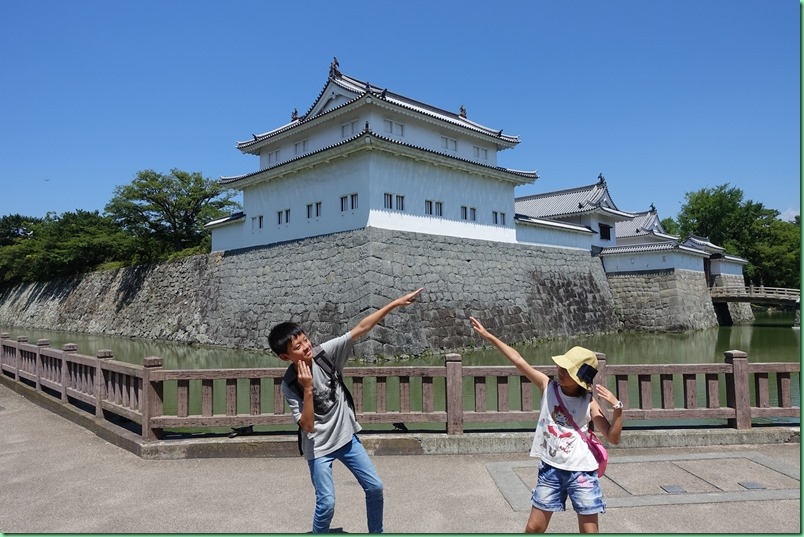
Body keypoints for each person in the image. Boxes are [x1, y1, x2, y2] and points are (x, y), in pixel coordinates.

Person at [268, 288, 424, 534]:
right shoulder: (289, 384)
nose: (306, 347)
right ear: (284, 356)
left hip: (346, 437)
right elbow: (307, 426)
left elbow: (360, 329)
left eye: (305, 340)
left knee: (375, 487)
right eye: (297, 347)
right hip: (318, 447)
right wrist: (307, 388)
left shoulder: (324, 354)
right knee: (326, 503)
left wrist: (394, 304)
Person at [469, 317, 623, 534]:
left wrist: (617, 408)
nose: (560, 370)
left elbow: (613, 437)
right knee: (534, 528)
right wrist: (489, 336)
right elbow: (518, 360)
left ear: (579, 379)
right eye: (561, 365)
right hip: (551, 468)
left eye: (567, 369)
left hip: (582, 471)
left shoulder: (588, 401)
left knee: (589, 531)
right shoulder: (548, 386)